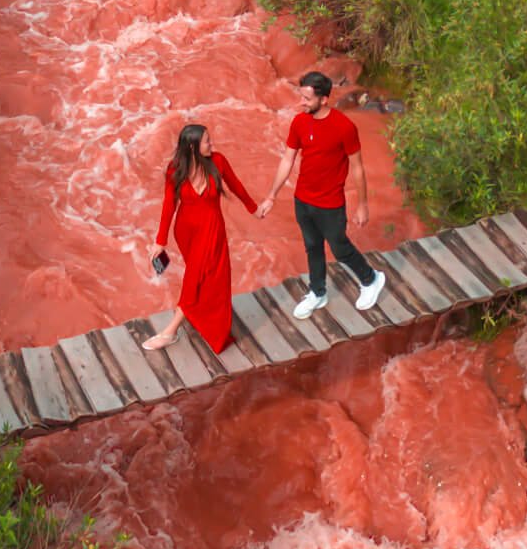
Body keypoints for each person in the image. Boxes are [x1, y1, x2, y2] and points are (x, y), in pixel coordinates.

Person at [256, 70, 387, 320]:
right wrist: (271, 195)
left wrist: (362, 206)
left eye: (307, 98)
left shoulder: (344, 127)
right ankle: (318, 292)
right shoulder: (299, 122)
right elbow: (287, 159)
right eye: (301, 96)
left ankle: (371, 279)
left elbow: (358, 167)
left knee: (340, 248)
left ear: (324, 99)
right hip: (303, 200)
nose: (301, 102)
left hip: (330, 203)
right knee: (312, 247)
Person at [145, 122, 259, 354]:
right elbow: (169, 205)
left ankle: (170, 332)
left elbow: (236, 186)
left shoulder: (218, 161)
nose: (212, 144)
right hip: (186, 231)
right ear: (192, 146)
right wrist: (160, 240)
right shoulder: (174, 169)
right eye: (207, 141)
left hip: (212, 230)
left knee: (197, 279)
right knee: (200, 278)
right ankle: (195, 319)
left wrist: (254, 209)